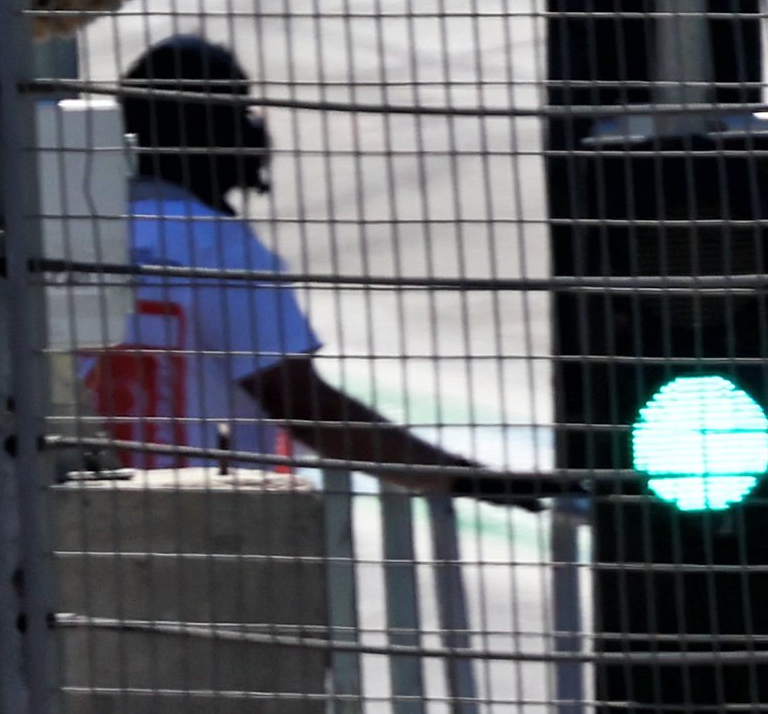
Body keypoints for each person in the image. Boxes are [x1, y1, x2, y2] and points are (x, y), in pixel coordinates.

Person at [84, 33, 533, 495]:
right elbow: (309, 411)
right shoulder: (216, 249)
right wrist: (468, 478)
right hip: (194, 523)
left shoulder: (73, 232)